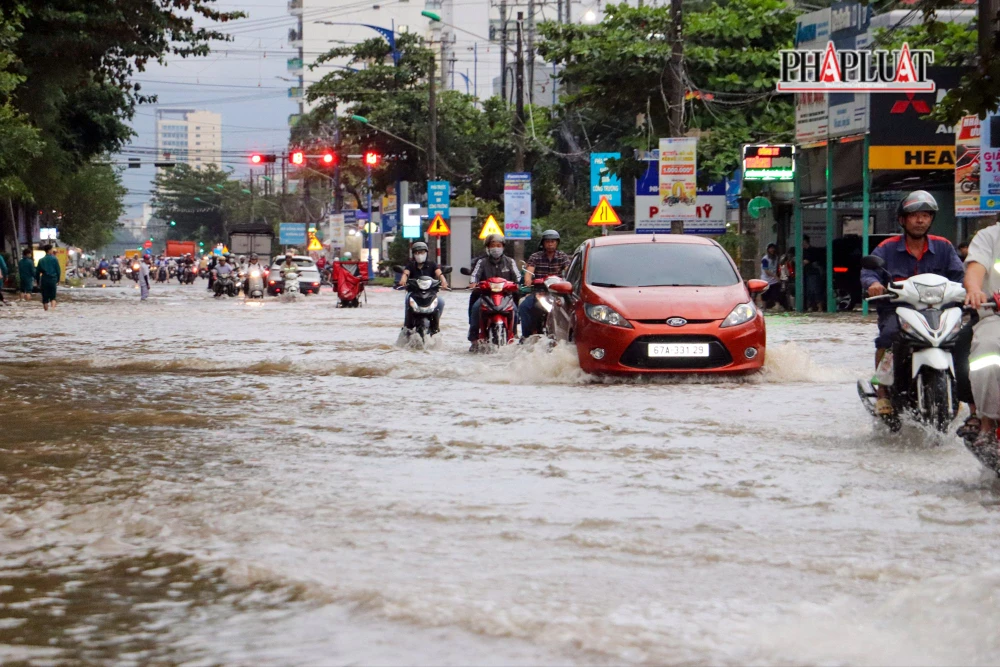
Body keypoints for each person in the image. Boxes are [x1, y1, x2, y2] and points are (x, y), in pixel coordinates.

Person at [860, 190, 965, 416]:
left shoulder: (944, 246)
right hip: (898, 310)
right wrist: (873, 285)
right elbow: (869, 272)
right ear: (902, 220)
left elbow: (961, 276)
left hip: (938, 310)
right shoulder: (887, 247)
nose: (920, 220)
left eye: (926, 215)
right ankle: (883, 392)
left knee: (962, 340)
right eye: (915, 215)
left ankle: (965, 392)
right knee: (888, 337)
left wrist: (971, 291)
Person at [960, 219, 1000, 451]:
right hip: (994, 315)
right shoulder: (988, 236)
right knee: (986, 350)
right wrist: (974, 290)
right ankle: (988, 421)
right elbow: (975, 269)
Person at [468, 234, 520, 350]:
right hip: (486, 296)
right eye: (493, 245)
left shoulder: (510, 262)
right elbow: (474, 275)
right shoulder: (482, 262)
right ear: (488, 247)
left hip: (506, 296)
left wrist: (518, 284)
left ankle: (514, 333)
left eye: (498, 245)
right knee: (476, 308)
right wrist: (473, 283)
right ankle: (474, 337)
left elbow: (518, 277)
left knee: (515, 310)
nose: (496, 248)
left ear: (503, 247)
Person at [520, 229, 571, 338]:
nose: (550, 243)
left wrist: (567, 281)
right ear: (543, 243)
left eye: (553, 241)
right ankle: (525, 337)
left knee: (572, 309)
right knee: (524, 307)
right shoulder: (535, 256)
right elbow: (529, 272)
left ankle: (568, 336)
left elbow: (568, 271)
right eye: (547, 241)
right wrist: (528, 280)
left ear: (557, 242)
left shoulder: (562, 256)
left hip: (557, 293)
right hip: (539, 292)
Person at [397, 241, 448, 331]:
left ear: (426, 253)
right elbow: (406, 273)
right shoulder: (411, 265)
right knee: (408, 300)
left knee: (441, 301)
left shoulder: (432, 264)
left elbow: (439, 274)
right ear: (414, 254)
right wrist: (403, 280)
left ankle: (435, 324)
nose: (419, 255)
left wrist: (443, 281)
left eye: (421, 252)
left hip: (430, 294)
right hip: (414, 294)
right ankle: (407, 326)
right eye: (417, 253)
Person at [802, 235, 825, 311]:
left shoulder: (812, 250)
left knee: (815, 290)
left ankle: (819, 307)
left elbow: (807, 261)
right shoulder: (803, 251)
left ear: (805, 241)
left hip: (814, 273)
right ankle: (811, 306)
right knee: (809, 291)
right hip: (807, 273)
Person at [35, 244, 60, 311]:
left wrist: (37, 281)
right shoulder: (55, 259)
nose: (52, 251)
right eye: (52, 249)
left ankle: (46, 311)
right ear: (49, 250)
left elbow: (37, 272)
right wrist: (58, 280)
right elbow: (58, 270)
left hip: (44, 280)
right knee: (53, 297)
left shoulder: (41, 260)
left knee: (45, 299)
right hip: (52, 279)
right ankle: (52, 311)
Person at [759, 243, 782, 310]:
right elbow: (766, 270)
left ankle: (777, 306)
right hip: (766, 280)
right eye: (770, 248)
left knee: (776, 293)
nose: (772, 250)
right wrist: (775, 276)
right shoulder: (765, 259)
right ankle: (764, 308)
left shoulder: (776, 258)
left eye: (773, 248)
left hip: (774, 280)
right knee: (765, 295)